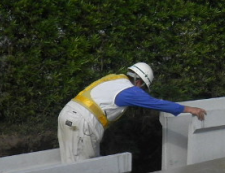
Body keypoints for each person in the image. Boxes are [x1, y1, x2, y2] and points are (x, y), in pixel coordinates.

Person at [57, 62, 207, 163]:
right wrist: (188, 109)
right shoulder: (130, 91)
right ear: (140, 82)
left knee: (71, 162)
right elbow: (156, 103)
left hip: (68, 114)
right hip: (82, 122)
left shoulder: (115, 80)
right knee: (82, 168)